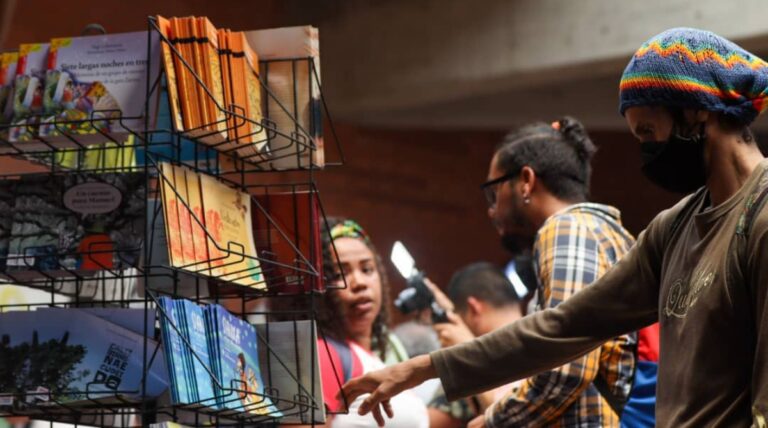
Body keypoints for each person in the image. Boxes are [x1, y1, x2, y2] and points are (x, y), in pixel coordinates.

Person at [341, 27, 768, 427]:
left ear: (696, 110)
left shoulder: (759, 218)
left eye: (649, 132)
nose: (647, 154)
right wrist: (419, 369)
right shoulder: (673, 229)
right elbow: (564, 326)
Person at [316, 217, 428, 427]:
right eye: (340, 274)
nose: (359, 282)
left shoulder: (379, 358)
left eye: (367, 269)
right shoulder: (325, 353)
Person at [427, 262, 524, 428]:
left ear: (474, 308)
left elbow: (516, 420)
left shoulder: (493, 360)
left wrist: (469, 355)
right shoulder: (547, 340)